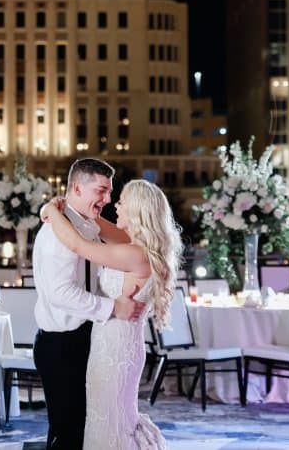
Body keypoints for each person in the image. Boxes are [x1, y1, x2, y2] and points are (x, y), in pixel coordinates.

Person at [41, 178, 183, 450]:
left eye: (121, 202)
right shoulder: (135, 245)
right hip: (116, 345)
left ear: (137, 211)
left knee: (110, 424)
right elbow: (93, 225)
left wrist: (52, 212)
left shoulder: (135, 254)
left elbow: (79, 246)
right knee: (112, 420)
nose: (114, 206)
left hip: (115, 353)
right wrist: (71, 207)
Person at [32, 158, 146, 450]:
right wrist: (111, 308)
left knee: (84, 428)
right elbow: (60, 293)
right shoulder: (58, 231)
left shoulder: (85, 226)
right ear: (77, 188)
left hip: (87, 340)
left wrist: (51, 210)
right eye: (101, 190)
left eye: (110, 193)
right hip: (61, 345)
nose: (107, 199)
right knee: (68, 431)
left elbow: (87, 250)